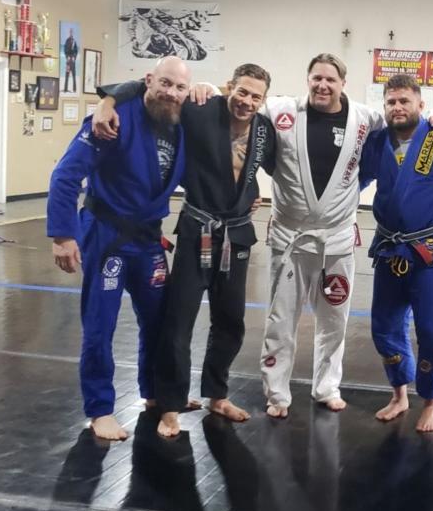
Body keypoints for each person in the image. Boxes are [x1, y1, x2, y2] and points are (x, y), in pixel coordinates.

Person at [93, 63, 278, 438]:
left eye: (255, 96)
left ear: (264, 100)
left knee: (231, 321)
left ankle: (217, 395)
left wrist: (251, 193)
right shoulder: (201, 108)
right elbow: (154, 89)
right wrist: (107, 102)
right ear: (229, 86)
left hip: (237, 234)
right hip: (198, 231)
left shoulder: (264, 129)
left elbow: (256, 170)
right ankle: (170, 405)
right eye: (242, 92)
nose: (246, 101)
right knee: (178, 321)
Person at [46, 56, 189, 441]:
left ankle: (154, 392)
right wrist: (63, 235)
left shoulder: (180, 122)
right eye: (165, 83)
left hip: (148, 239)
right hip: (106, 235)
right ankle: (100, 409)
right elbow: (65, 176)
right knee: (100, 324)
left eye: (180, 87)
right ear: (148, 80)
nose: (172, 93)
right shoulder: (112, 119)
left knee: (158, 321)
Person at [259, 54, 384, 419]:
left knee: (334, 320)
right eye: (316, 78)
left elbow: (403, 117)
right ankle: (276, 393)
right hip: (290, 237)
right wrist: (205, 88)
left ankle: (327, 387)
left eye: (330, 79)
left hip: (337, 240)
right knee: (280, 319)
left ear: (343, 83)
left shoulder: (363, 117)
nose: (322, 85)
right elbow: (239, 103)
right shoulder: (281, 111)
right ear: (308, 79)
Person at [361, 73, 433, 433]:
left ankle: (431, 400)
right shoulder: (376, 142)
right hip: (389, 248)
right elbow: (349, 180)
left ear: (421, 104)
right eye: (391, 102)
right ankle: (399, 393)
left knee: (430, 330)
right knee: (384, 327)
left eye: (404, 101)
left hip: (426, 252)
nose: (397, 107)